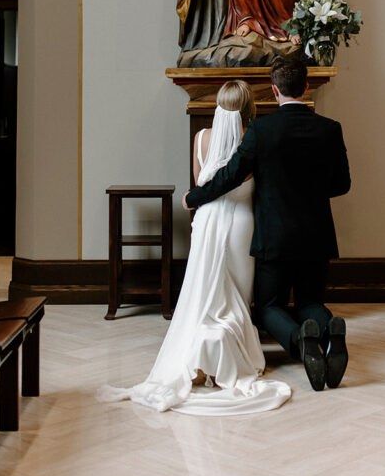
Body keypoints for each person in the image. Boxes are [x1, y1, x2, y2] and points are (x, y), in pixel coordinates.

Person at [103, 81, 291, 414]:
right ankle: (229, 358)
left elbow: (200, 183)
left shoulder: (201, 139)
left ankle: (203, 360)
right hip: (241, 224)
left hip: (205, 222)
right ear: (250, 107)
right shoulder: (254, 140)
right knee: (237, 295)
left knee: (205, 292)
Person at [184, 56, 351, 392]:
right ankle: (330, 331)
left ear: (274, 91)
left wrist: (195, 197)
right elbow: (342, 184)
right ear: (305, 87)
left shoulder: (262, 130)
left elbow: (230, 177)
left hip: (275, 238)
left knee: (269, 306)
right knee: (310, 303)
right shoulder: (330, 128)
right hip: (316, 235)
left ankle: (300, 343)